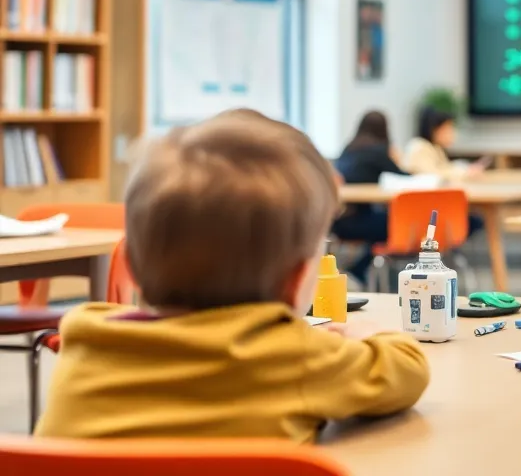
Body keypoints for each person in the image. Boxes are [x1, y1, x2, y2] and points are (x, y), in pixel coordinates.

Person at [36, 109, 430, 440]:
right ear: (297, 281)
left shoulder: (85, 344)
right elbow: (408, 368)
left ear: (132, 267)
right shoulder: (296, 357)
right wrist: (360, 332)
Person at [331, 110, 408, 284]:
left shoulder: (349, 148)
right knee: (394, 223)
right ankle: (359, 270)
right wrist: (396, 158)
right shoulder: (378, 151)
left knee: (382, 222)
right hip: (357, 221)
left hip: (339, 221)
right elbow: (402, 176)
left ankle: (359, 269)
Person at [400, 106, 488, 181]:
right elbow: (433, 175)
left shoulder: (435, 148)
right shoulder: (419, 147)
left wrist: (466, 169)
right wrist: (465, 172)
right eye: (447, 129)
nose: (452, 134)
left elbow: (444, 168)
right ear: (434, 130)